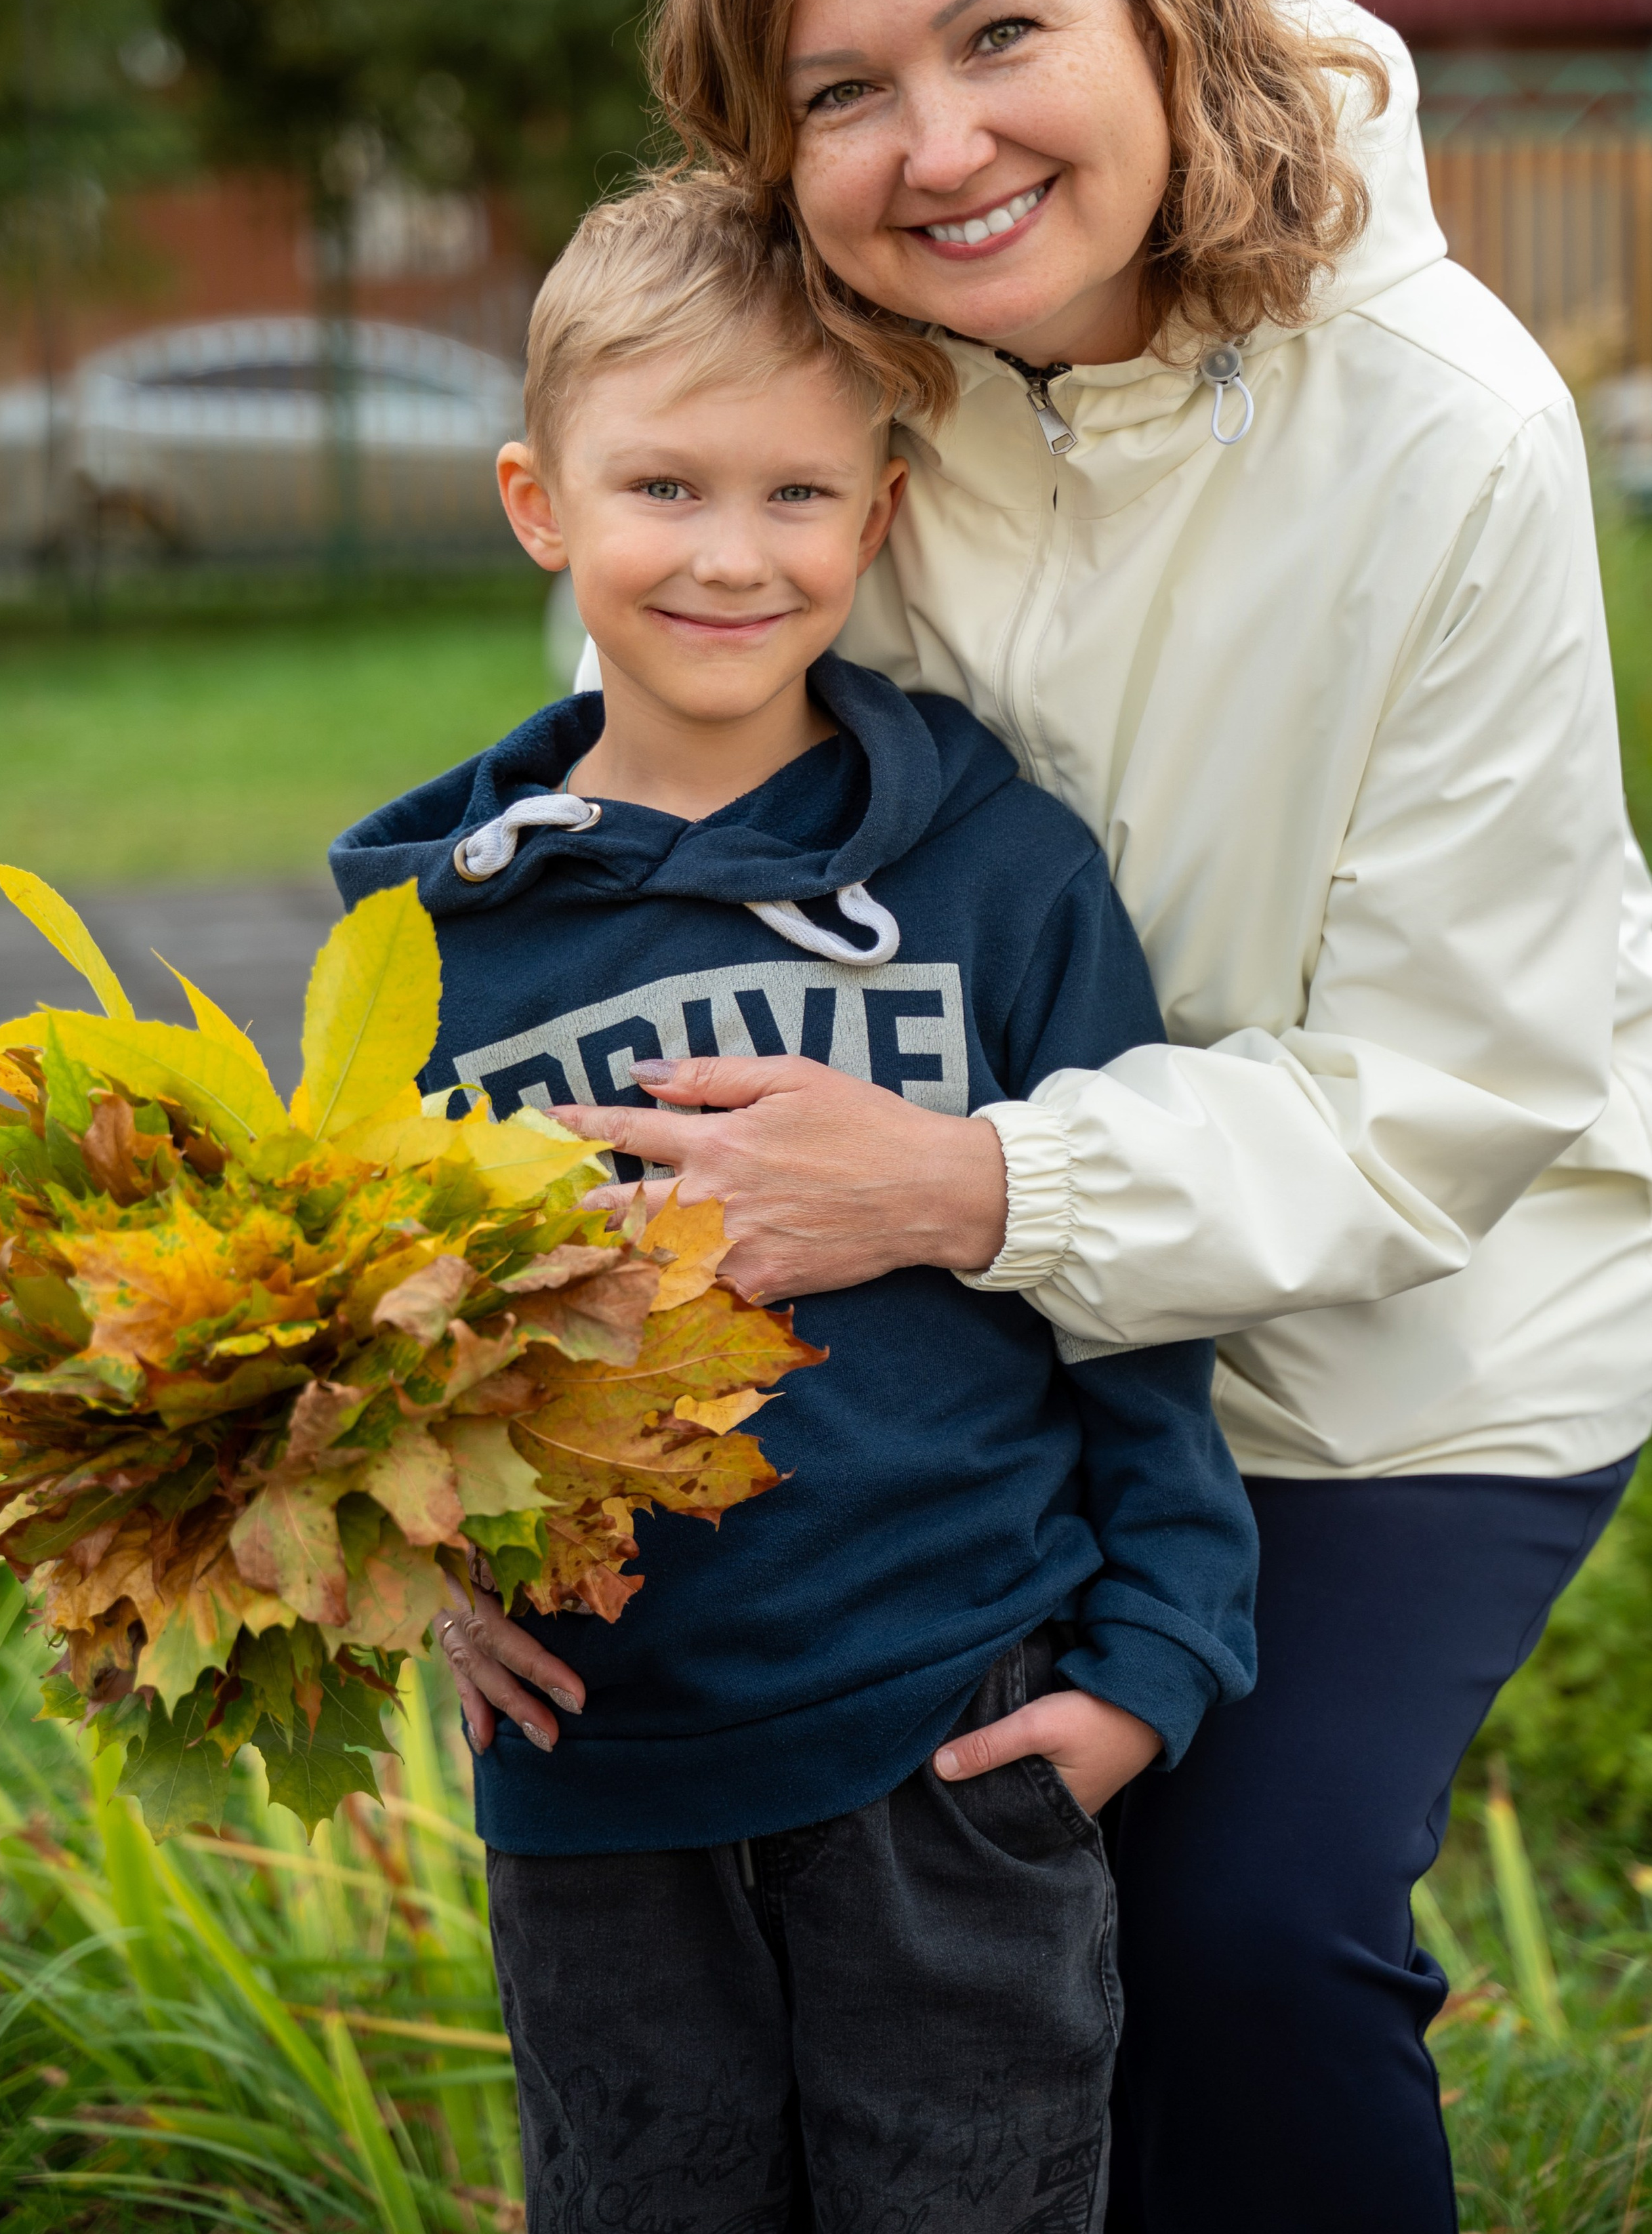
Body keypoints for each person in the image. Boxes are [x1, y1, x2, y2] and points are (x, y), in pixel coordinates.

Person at [537, 0, 1652, 2234]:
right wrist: (476, 1441)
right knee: (883, 1930)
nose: (938, 145)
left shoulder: (1442, 424)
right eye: (839, 90)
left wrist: (963, 1182)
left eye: (1001, 31)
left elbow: (1447, 1092)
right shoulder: (831, 390)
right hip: (956, 1304)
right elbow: (623, 864)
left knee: (1234, 1930)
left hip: (1415, 1326)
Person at [330, 176, 1256, 2234]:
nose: (732, 554)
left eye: (795, 494)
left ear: (882, 516)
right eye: (663, 486)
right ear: (539, 503)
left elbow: (1131, 1283)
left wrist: (1149, 1664)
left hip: (955, 1752)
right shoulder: (425, 951)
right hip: (602, 1795)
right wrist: (422, 1575)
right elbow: (377, 1356)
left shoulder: (1007, 876)